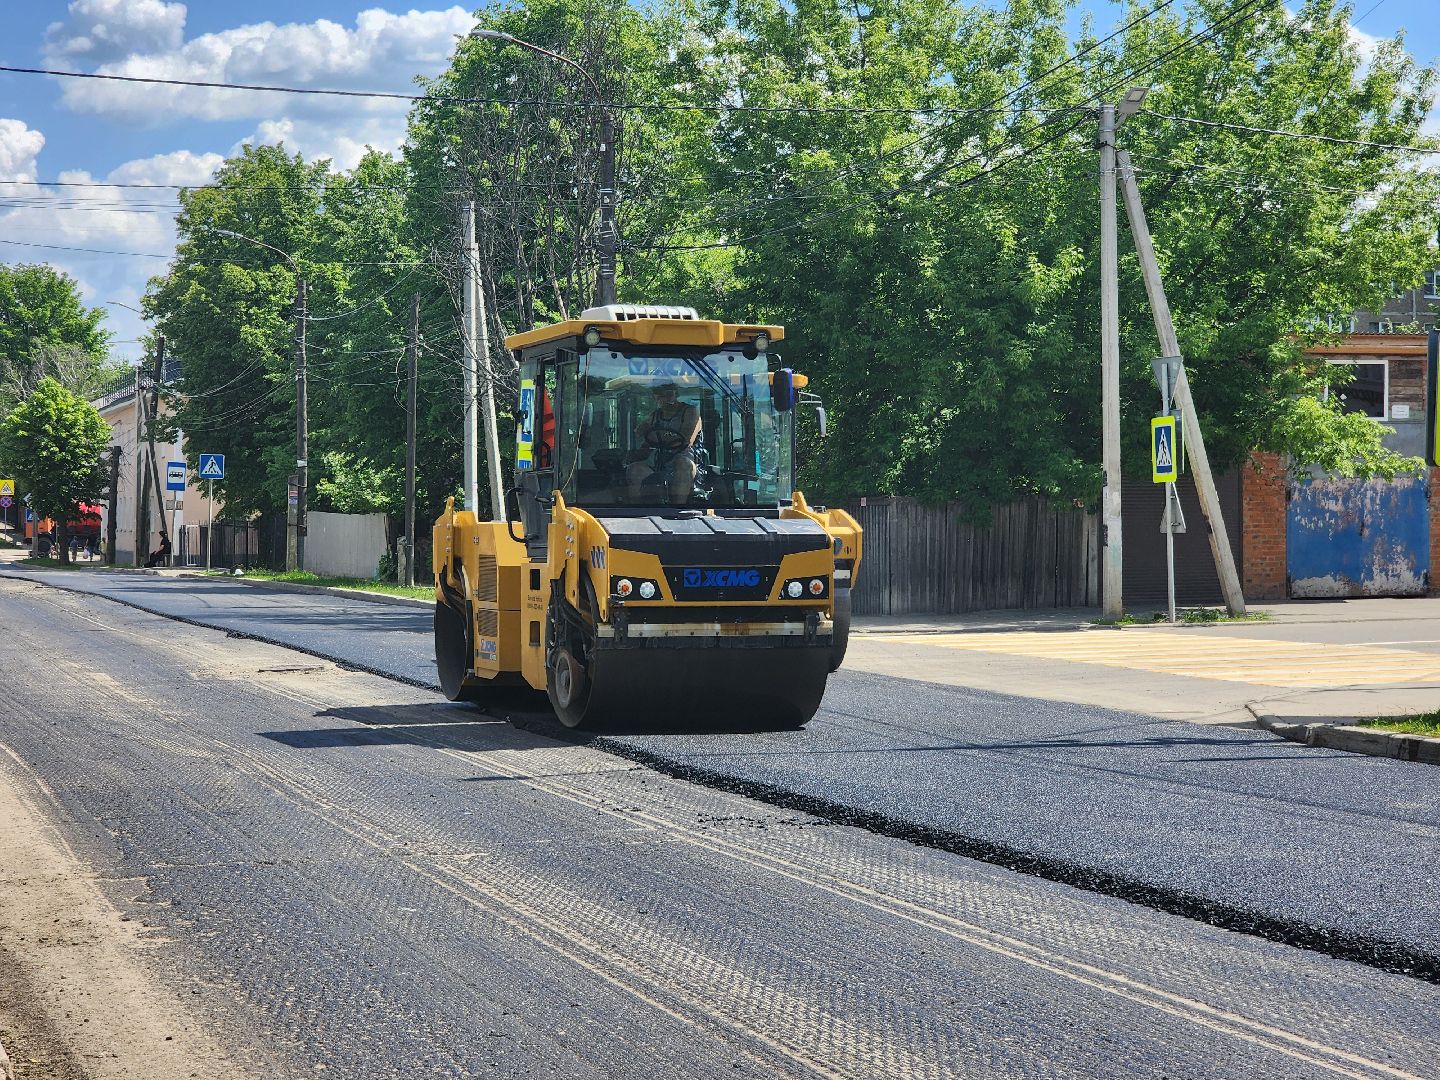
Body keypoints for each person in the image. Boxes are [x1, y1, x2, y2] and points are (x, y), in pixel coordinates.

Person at [628, 382, 702, 504]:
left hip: (688, 460)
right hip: (658, 462)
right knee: (635, 469)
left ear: (676, 394)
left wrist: (658, 436)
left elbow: (686, 440)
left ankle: (678, 509)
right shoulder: (655, 415)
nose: (665, 399)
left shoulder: (690, 412)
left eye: (668, 394)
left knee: (682, 464)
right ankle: (636, 510)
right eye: (660, 395)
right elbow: (639, 432)